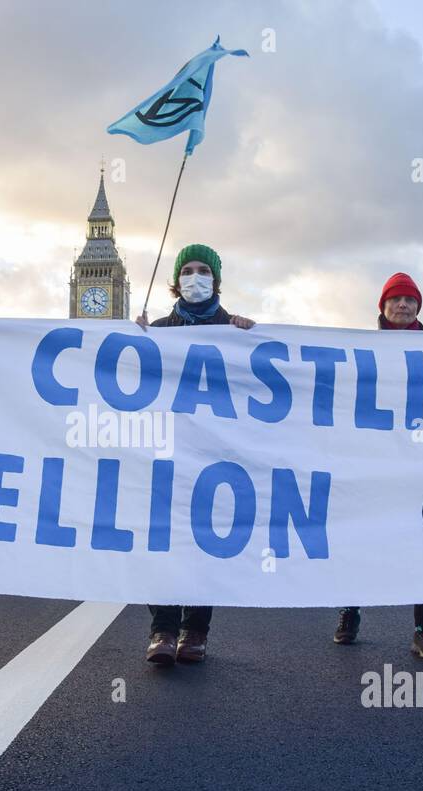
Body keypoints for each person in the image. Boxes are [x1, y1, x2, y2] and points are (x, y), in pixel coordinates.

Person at [136, 243, 255, 665]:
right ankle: (163, 630)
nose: (195, 277)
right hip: (166, 452)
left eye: (204, 270)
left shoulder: (236, 330)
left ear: (216, 279)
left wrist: (252, 337)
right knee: (163, 541)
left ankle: (196, 631)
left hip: (214, 455)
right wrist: (134, 339)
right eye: (187, 270)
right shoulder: (159, 332)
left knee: (206, 541)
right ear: (176, 280)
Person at [332, 273, 423, 660]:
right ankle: (350, 611)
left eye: (409, 300)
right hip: (371, 462)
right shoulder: (360, 351)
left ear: (418, 308)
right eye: (395, 299)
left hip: (417, 464)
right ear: (381, 307)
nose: (402, 305)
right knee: (360, 539)